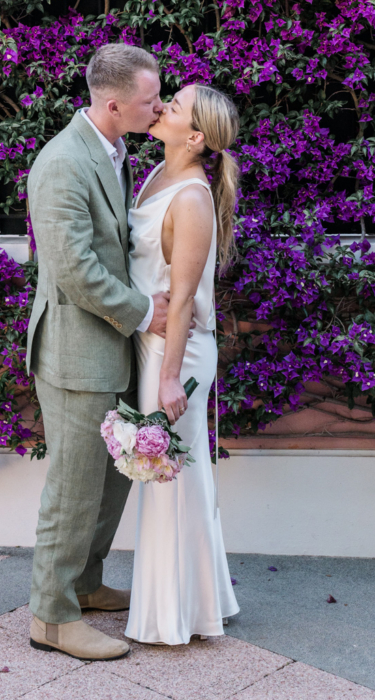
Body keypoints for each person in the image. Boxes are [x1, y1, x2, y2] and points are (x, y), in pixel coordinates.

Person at [26, 43, 170, 662]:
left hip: (110, 348)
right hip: (74, 352)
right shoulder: (63, 162)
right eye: (149, 100)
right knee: (75, 487)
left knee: (112, 484)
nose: (159, 107)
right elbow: (74, 269)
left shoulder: (113, 152)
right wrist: (145, 312)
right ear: (114, 105)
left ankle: (84, 585)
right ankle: (51, 618)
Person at [125, 83, 241, 646]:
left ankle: (172, 615)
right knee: (181, 475)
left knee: (167, 475)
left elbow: (186, 300)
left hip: (177, 354)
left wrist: (170, 378)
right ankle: (203, 602)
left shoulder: (192, 199)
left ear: (194, 137)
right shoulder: (155, 175)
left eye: (174, 106)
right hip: (152, 340)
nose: (163, 106)